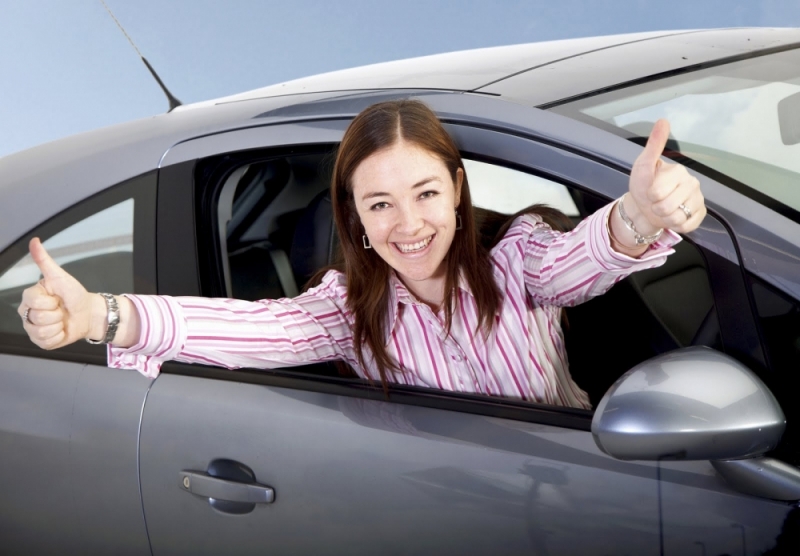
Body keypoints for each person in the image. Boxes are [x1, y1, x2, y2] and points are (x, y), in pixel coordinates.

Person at [18, 100, 704, 409]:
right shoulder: (347, 308)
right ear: (354, 216)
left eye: (426, 193)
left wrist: (639, 214)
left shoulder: (516, 258)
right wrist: (101, 316)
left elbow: (585, 257)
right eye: (380, 204)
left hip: (586, 479)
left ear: (458, 190)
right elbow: (253, 330)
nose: (410, 225)